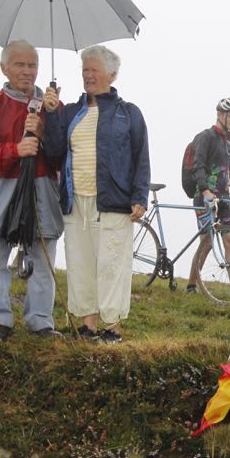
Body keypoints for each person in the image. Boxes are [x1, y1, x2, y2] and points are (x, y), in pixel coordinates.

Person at [42, 45, 151, 344]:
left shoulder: (128, 113)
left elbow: (141, 156)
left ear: (111, 74)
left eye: (94, 70)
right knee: (81, 262)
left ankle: (112, 327)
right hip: (76, 201)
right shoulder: (71, 112)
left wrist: (139, 196)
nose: (88, 75)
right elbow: (53, 151)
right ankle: (88, 325)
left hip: (113, 202)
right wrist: (51, 115)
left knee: (112, 265)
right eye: (84, 70)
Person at [0, 40, 64, 342]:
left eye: (32, 65)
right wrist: (14, 150)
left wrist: (48, 129)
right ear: (4, 68)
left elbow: (61, 154)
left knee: (43, 257)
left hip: (41, 190)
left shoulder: (51, 108)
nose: (27, 71)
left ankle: (41, 320)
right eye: (20, 64)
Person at [187, 98, 230, 296]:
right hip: (204, 197)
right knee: (207, 242)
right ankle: (191, 284)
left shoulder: (228, 141)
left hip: (224, 198)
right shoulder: (205, 137)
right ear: (220, 115)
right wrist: (205, 190)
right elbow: (197, 166)